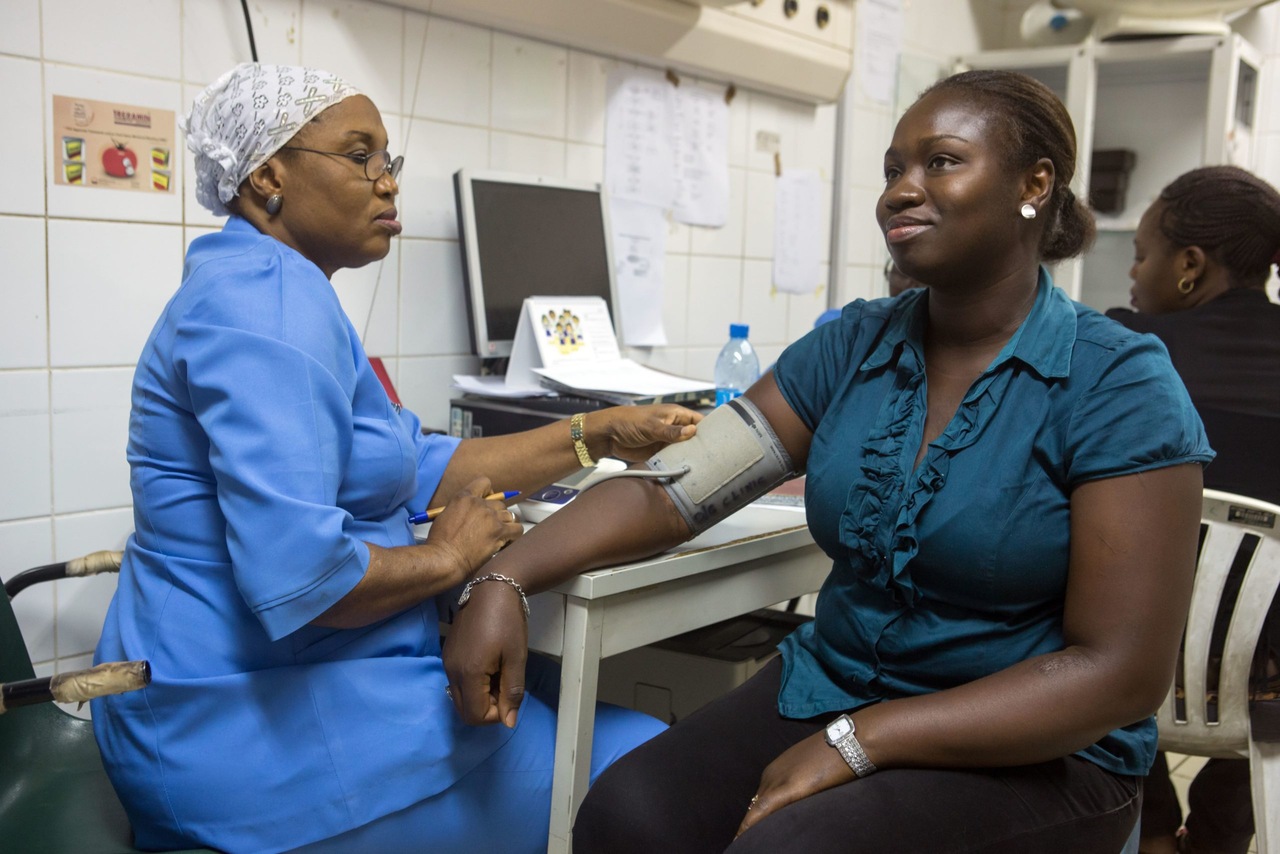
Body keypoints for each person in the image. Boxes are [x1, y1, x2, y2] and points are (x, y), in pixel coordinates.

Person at [440, 68, 1214, 853]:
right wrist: (504, 579)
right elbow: (673, 493)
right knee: (629, 813)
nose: (899, 192)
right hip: (836, 686)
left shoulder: (1117, 381)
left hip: (1038, 745)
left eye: (940, 161)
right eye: (891, 170)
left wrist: (865, 742)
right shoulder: (854, 345)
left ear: (1035, 183)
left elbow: (1120, 672)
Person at [90, 63, 702, 854]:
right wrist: (449, 559)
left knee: (598, 716)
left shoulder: (277, 286)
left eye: (390, 160)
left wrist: (597, 434)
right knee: (648, 770)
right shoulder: (266, 305)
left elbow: (411, 462)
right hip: (240, 735)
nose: (387, 183)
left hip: (294, 686)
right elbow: (304, 578)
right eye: (359, 156)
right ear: (267, 174)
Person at [1105, 164, 1280, 854]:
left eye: (1141, 256)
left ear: (1189, 265)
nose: (1132, 276)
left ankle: (1149, 826)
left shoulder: (1124, 352)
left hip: (1124, 666)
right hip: (1266, 688)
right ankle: (1216, 833)